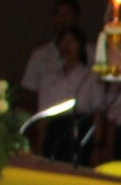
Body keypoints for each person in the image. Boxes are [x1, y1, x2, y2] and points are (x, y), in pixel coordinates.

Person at [31, 25, 106, 167]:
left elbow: (98, 113)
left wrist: (97, 146)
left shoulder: (91, 76)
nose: (67, 45)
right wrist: (39, 146)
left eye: (72, 41)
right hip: (56, 129)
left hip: (81, 127)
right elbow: (43, 118)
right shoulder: (49, 78)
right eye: (63, 41)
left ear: (81, 46)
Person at [18, 0, 81, 111]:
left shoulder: (92, 52)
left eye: (67, 14)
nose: (62, 19)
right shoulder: (40, 55)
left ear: (76, 17)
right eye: (58, 14)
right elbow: (29, 90)